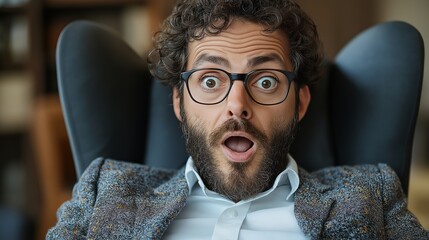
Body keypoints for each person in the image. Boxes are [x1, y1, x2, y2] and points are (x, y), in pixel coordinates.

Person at [47, 0, 429, 239]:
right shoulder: (106, 191)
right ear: (179, 103)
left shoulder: (370, 196)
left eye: (265, 81)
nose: (237, 105)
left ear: (299, 104)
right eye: (210, 80)